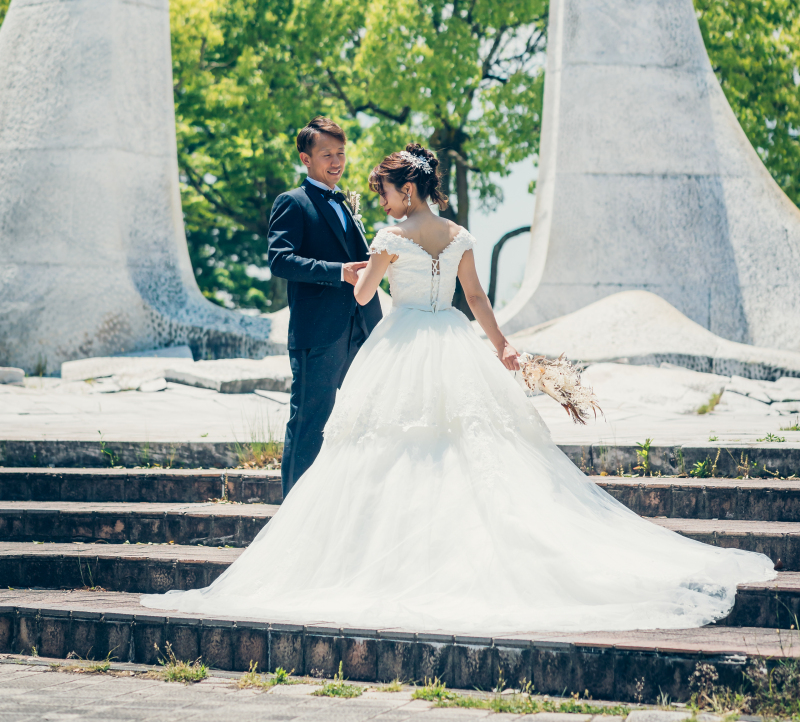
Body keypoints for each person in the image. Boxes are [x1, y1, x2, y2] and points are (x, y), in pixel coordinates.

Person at [142, 142, 774, 634]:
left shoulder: (390, 237)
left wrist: (366, 272)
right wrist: (504, 347)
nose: (384, 202)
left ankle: (389, 559)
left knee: (387, 449)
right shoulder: (462, 235)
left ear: (406, 188)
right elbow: (476, 298)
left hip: (401, 346)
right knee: (468, 447)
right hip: (455, 340)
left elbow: (364, 294)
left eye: (387, 191)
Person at [266, 117, 382, 496]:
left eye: (341, 153)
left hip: (363, 328)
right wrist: (338, 272)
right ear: (306, 158)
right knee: (310, 422)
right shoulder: (292, 203)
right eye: (327, 154)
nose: (337, 161)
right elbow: (280, 260)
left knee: (362, 420)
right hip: (319, 333)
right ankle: (293, 513)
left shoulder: (346, 203)